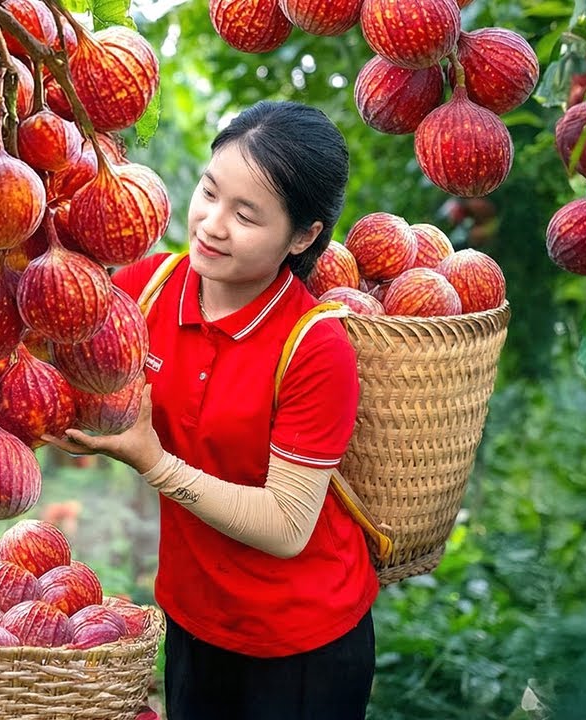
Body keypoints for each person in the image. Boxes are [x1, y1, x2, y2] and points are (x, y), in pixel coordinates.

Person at [43, 101, 376, 719]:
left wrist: (154, 462)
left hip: (301, 643)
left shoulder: (315, 346)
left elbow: (286, 526)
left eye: (246, 215)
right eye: (209, 191)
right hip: (194, 618)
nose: (212, 224)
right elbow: (64, 365)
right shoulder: (148, 288)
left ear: (303, 236)